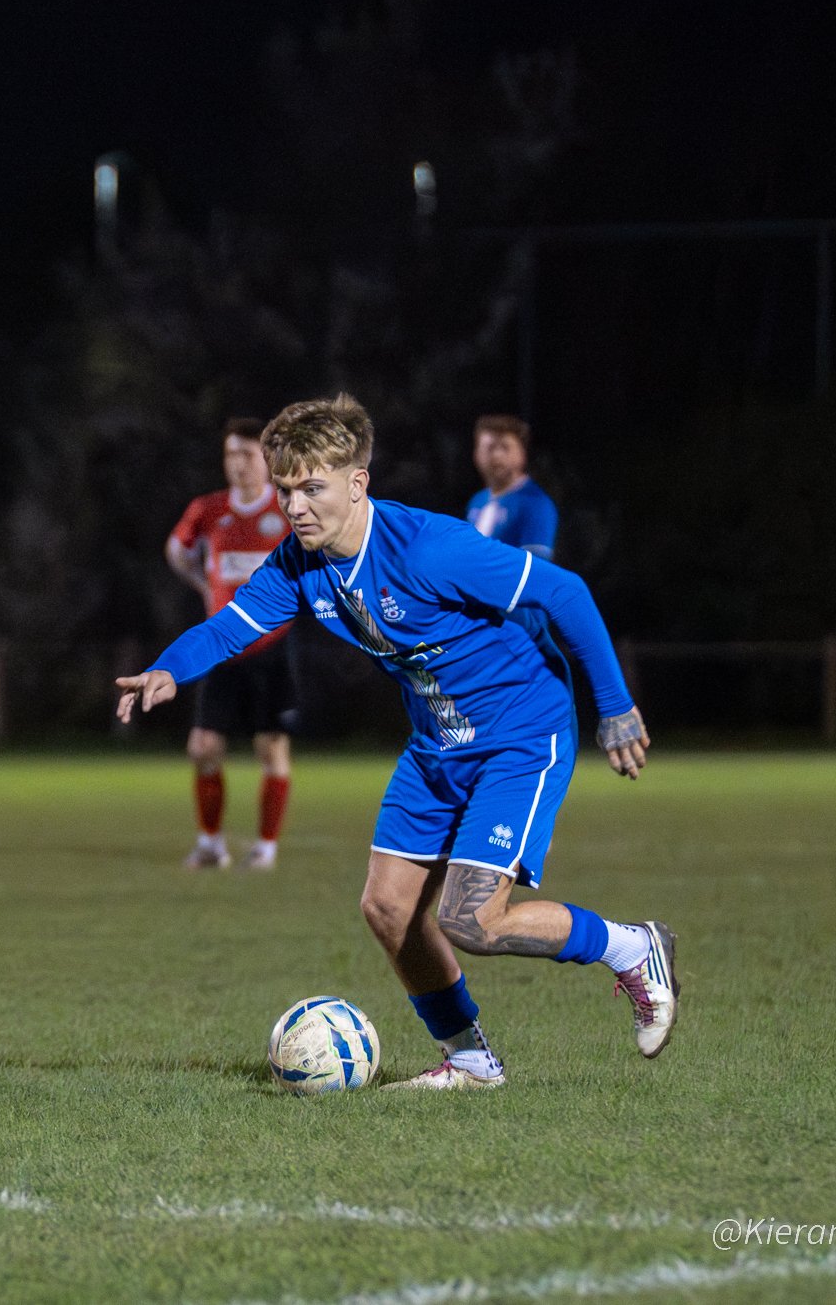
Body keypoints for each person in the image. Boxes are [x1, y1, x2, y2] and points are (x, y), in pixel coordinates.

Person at [117, 394, 676, 1092]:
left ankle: (633, 946)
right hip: (436, 744)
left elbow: (563, 592)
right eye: (286, 489)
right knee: (386, 909)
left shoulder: (431, 548)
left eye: (311, 488)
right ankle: (471, 1061)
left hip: (520, 735)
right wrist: (169, 668)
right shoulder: (300, 564)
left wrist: (616, 707)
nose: (294, 507)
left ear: (358, 483)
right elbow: (232, 625)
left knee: (472, 917)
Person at [163, 417, 300, 871]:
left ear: (267, 459)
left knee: (271, 748)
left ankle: (265, 848)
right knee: (203, 747)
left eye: (247, 453)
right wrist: (203, 584)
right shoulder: (208, 509)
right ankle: (210, 844)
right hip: (221, 646)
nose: (238, 463)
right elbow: (177, 549)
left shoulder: (286, 511)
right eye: (231, 454)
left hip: (272, 647)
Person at [466, 414, 557, 558]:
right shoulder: (477, 501)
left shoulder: (535, 504)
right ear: (476, 454)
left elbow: (535, 566)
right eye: (489, 447)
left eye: (505, 447)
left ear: (522, 454)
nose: (497, 455)